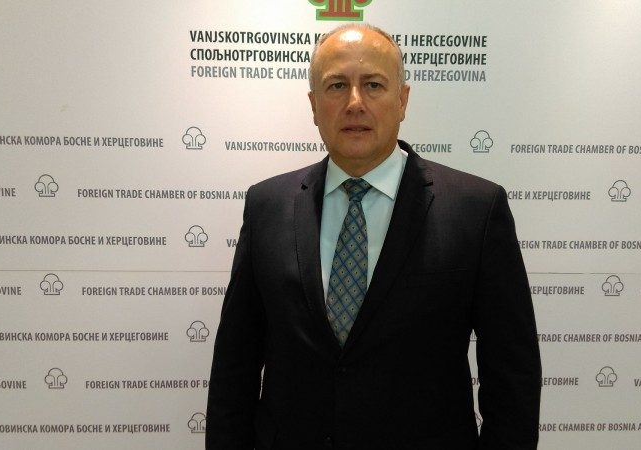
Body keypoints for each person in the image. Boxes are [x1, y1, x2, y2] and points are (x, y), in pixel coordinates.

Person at [206, 23, 541, 450]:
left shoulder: (476, 210)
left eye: (373, 85)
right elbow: (235, 367)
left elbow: (512, 379)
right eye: (336, 86)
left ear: (402, 100)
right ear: (313, 105)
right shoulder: (267, 205)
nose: (354, 103)